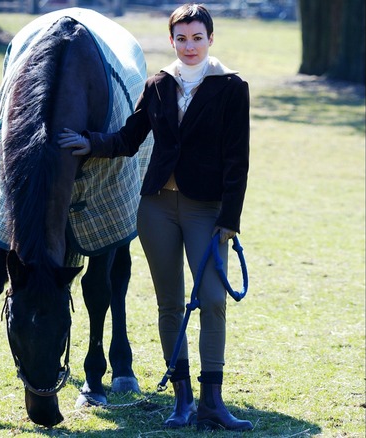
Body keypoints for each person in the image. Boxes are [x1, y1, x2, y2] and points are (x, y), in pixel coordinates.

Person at [59, 3, 251, 431]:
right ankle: (182, 400)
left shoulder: (232, 87)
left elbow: (238, 161)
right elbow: (128, 138)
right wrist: (89, 142)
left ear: (211, 39)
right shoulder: (158, 85)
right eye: (181, 38)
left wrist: (230, 218)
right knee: (169, 304)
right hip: (156, 209)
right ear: (172, 40)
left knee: (213, 302)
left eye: (197, 37)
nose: (189, 46)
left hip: (208, 211)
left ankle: (212, 403)